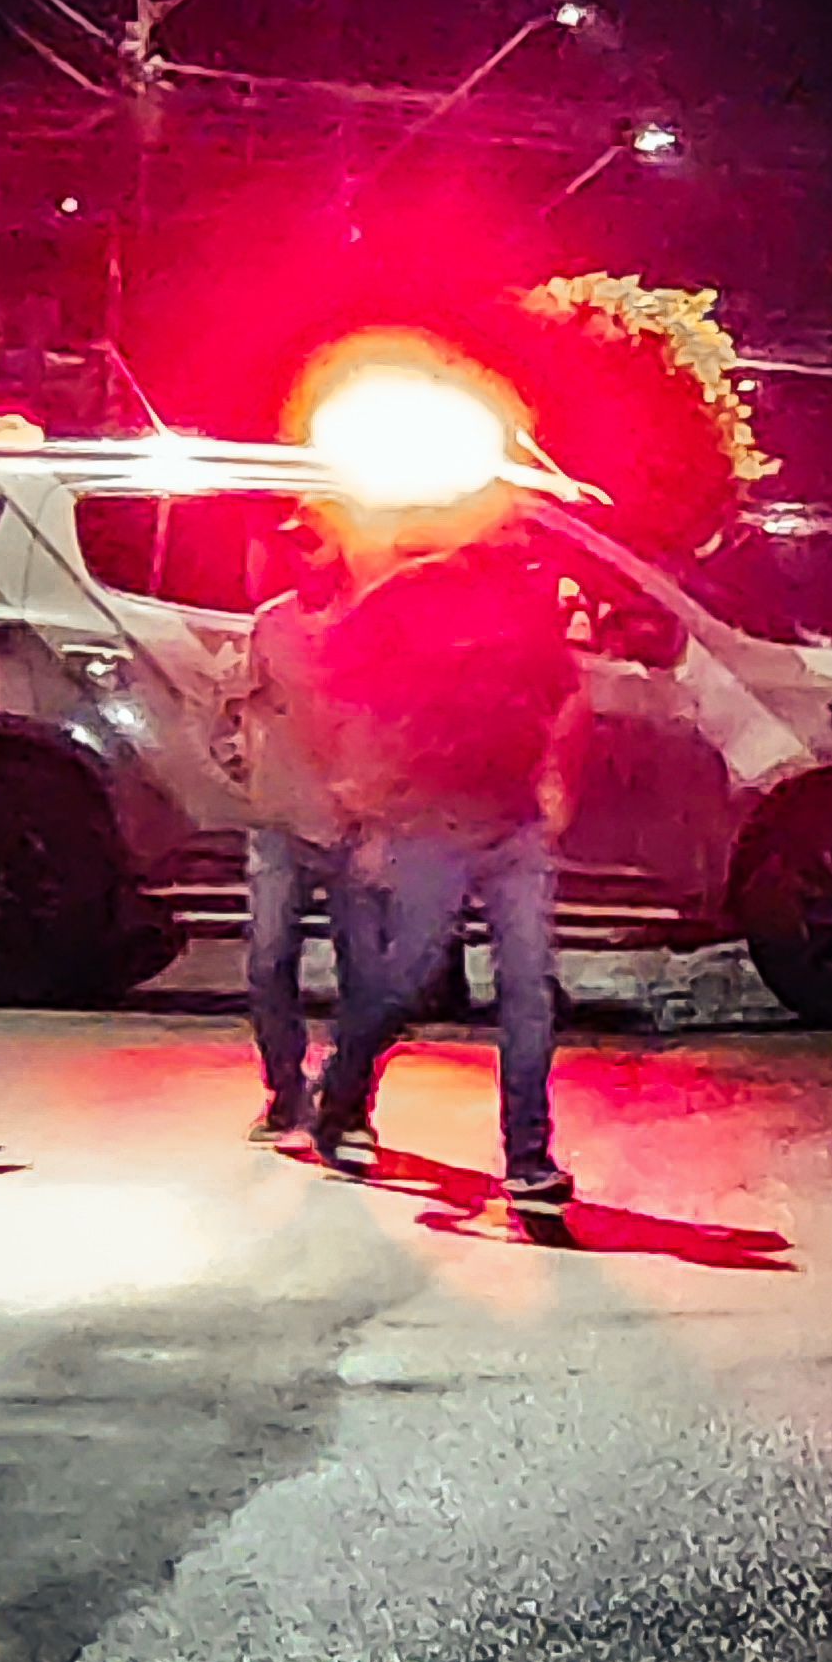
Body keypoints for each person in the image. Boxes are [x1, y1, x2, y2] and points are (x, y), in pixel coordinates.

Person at [305, 527, 587, 1209]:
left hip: (509, 819)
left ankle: (528, 1157)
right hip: (430, 820)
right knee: (407, 979)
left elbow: (566, 691)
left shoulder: (524, 601)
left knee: (527, 987)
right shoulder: (409, 594)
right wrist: (362, 783)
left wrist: (554, 778)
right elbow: (330, 682)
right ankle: (340, 1096)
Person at [229, 512, 384, 1142]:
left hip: (359, 825)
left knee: (367, 974)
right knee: (267, 962)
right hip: (281, 821)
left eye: (313, 543)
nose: (302, 557)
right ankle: (286, 1093)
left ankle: (348, 1105)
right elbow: (235, 699)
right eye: (292, 544)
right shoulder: (271, 625)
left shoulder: (375, 623)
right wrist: (246, 764)